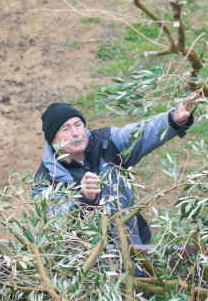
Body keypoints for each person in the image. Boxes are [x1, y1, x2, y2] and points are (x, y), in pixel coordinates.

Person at [32, 98, 196, 246]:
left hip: (131, 243)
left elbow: (142, 133)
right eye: (65, 129)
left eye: (78, 124)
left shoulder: (108, 142)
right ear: (53, 140)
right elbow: (54, 223)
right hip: (87, 264)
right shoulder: (45, 181)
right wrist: (83, 198)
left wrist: (173, 120)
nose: (76, 133)